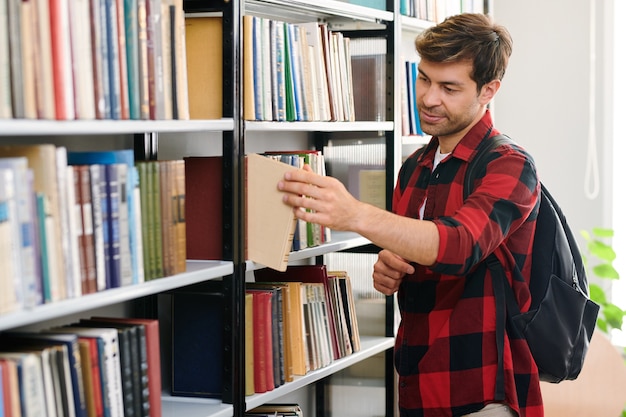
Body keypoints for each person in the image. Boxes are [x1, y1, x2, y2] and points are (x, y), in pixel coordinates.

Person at [278, 12, 543, 417]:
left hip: (481, 393)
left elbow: (460, 245)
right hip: (418, 384)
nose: (429, 98)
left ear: (489, 90)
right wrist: (392, 264)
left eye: (449, 87)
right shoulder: (415, 166)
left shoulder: (509, 164)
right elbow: (422, 250)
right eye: (424, 79)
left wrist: (356, 215)